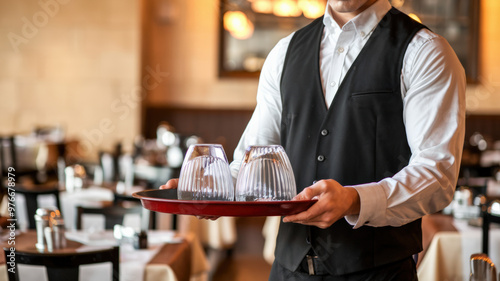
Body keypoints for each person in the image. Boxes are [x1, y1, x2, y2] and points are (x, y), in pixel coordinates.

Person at [163, 0, 466, 279]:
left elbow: (437, 175)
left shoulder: (425, 51)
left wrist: (355, 200)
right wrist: (210, 191)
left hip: (378, 272)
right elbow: (251, 159)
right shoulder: (284, 52)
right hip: (287, 270)